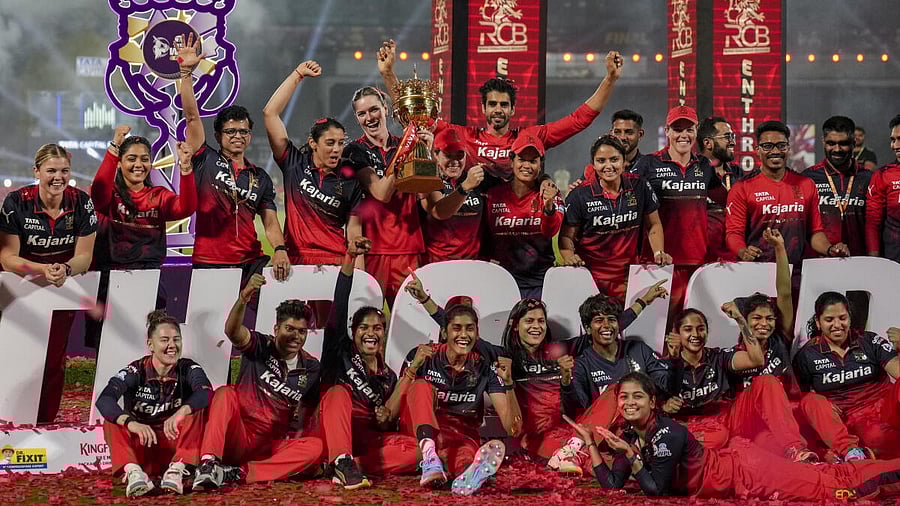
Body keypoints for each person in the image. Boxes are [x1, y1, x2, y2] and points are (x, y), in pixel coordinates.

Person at [572, 372, 900, 501]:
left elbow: (655, 489)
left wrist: (630, 457)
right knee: (827, 477)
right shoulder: (628, 435)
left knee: (834, 485)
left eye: (637, 397)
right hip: (740, 470)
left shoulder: (668, 432)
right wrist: (591, 445)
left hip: (748, 470)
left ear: (652, 402)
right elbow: (613, 483)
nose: (629, 403)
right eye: (624, 398)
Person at [378, 39, 623, 180]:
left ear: (513, 109)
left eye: (504, 105)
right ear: (483, 108)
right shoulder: (463, 136)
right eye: (493, 104)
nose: (498, 110)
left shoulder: (529, 138)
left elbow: (579, 120)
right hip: (473, 223)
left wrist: (610, 80)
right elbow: (415, 120)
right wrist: (388, 74)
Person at [177, 33, 290, 283]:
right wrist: (186, 74)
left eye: (243, 131)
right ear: (218, 135)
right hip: (210, 261)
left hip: (251, 263)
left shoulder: (259, 177)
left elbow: (270, 221)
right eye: (230, 131)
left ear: (250, 135)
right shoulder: (204, 160)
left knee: (251, 324)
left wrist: (280, 249)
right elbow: (192, 117)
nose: (237, 136)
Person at [192, 276, 322, 488]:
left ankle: (236, 474)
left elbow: (308, 406)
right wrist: (244, 297)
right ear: (276, 328)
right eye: (289, 329)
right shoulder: (261, 345)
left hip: (269, 446)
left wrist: (297, 435)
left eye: (302, 331)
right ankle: (208, 464)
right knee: (225, 392)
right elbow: (232, 331)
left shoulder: (311, 367)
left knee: (315, 447)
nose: (296, 336)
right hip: (238, 434)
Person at [0, 143, 97, 423]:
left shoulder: (82, 202)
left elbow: (85, 257)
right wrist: (42, 269)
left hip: (60, 285)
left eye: (64, 171)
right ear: (37, 171)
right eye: (51, 171)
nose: (59, 177)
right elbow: (7, 257)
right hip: (19, 288)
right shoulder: (16, 202)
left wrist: (65, 269)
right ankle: (9, 416)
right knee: (15, 353)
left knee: (54, 358)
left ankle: (45, 421)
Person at [316, 236, 419, 489]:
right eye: (363, 327)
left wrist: (384, 416)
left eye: (377, 327)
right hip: (333, 430)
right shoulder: (339, 353)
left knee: (418, 452)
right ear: (353, 332)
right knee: (338, 393)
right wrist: (350, 259)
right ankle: (340, 459)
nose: (370, 332)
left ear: (384, 333)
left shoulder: (389, 375)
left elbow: (385, 423)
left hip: (365, 442)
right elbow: (339, 307)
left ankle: (347, 465)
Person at [663, 299, 817, 463]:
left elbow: (757, 360)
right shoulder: (663, 366)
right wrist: (665, 406)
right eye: (688, 329)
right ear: (676, 333)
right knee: (719, 438)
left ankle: (795, 449)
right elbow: (650, 406)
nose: (695, 334)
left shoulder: (719, 357)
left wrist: (740, 319)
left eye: (701, 329)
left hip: (729, 422)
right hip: (698, 429)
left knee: (767, 382)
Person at [85, 127, 197, 347]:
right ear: (119, 162)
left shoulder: (158, 196)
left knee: (147, 341)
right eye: (131, 158)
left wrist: (185, 169)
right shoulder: (110, 195)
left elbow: (186, 207)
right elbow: (97, 193)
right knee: (106, 343)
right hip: (109, 276)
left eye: (145, 159)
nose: (139, 164)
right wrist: (114, 146)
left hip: (149, 277)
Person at [547, 283, 671, 475]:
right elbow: (577, 411)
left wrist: (677, 361)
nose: (606, 325)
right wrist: (566, 381)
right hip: (606, 433)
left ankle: (593, 457)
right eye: (598, 321)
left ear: (618, 324)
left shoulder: (638, 349)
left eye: (611, 320)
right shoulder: (581, 364)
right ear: (588, 328)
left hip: (643, 427)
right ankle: (577, 450)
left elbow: (664, 383)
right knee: (620, 389)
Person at [402, 304, 522, 495]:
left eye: (470, 328)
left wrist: (508, 384)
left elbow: (513, 429)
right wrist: (413, 369)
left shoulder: (485, 367)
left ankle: (467, 474)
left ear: (477, 333)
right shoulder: (425, 356)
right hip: (422, 432)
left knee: (464, 456)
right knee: (420, 386)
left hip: (460, 436)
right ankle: (430, 456)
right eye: (457, 328)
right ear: (444, 332)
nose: (464, 335)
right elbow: (399, 403)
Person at [96, 310, 212, 496]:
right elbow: (104, 400)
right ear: (150, 344)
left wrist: (182, 411)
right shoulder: (136, 370)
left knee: (195, 409)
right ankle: (134, 473)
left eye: (176, 339)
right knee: (112, 419)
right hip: (143, 445)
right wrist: (131, 423)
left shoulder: (188, 367)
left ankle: (176, 472)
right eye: (165, 340)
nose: (172, 345)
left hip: (176, 447)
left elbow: (206, 393)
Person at [262, 60, 363, 266]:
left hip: (335, 260)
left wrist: (357, 276)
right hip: (296, 261)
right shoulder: (293, 164)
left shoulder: (351, 179)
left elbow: (354, 231)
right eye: (330, 143)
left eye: (340, 143)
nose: (336, 149)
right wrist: (298, 74)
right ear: (313, 143)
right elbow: (270, 113)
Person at [631, 105, 719, 317]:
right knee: (660, 328)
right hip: (658, 262)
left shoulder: (705, 165)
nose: (683, 135)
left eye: (689, 129)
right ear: (667, 131)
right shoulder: (648, 164)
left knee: (693, 326)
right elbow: (625, 195)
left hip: (698, 263)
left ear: (696, 131)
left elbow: (728, 198)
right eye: (677, 129)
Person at [340, 85, 423, 306]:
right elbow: (380, 193)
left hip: (408, 247)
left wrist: (426, 151)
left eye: (374, 110)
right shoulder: (354, 151)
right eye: (362, 113)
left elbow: (424, 190)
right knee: (368, 323)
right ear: (357, 118)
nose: (369, 118)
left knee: (412, 321)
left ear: (385, 109)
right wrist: (406, 151)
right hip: (372, 250)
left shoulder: (407, 145)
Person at [793, 291, 900, 459]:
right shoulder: (807, 355)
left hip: (887, 405)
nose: (837, 325)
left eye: (842, 318)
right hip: (856, 416)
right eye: (829, 320)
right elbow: (800, 395)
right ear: (818, 322)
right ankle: (852, 452)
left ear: (850, 318)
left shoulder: (869, 340)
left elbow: (897, 371)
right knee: (810, 401)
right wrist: (825, 405)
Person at [560, 135, 670, 298]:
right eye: (601, 161)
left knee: (631, 323)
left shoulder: (640, 185)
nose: (608, 166)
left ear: (624, 161)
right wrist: (569, 256)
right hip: (591, 280)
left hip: (631, 278)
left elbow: (653, 225)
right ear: (594, 164)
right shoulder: (579, 195)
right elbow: (566, 237)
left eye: (614, 159)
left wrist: (658, 252)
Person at [726, 120, 849, 265]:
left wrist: (830, 249)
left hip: (798, 272)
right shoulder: (742, 187)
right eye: (767, 146)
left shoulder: (806, 184)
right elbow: (733, 234)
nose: (776, 151)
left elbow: (815, 232)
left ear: (789, 148)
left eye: (781, 146)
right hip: (758, 270)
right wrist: (743, 251)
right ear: (757, 150)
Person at [482, 133, 563, 299]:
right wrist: (485, 261)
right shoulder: (494, 194)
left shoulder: (550, 193)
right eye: (522, 159)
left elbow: (551, 231)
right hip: (502, 281)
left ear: (540, 165)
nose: (527, 165)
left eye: (533, 161)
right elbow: (483, 235)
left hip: (541, 283)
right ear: (512, 161)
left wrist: (548, 206)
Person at [804, 116, 872, 256]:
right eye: (831, 143)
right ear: (823, 142)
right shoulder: (808, 178)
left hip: (860, 261)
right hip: (819, 262)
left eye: (843, 143)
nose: (837, 149)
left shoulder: (869, 178)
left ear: (854, 143)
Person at [420, 129, 487, 263]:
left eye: (459, 155)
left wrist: (542, 180)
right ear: (436, 154)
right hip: (437, 264)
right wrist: (465, 188)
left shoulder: (477, 178)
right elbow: (439, 212)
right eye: (448, 155)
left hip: (471, 264)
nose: (454, 161)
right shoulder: (429, 179)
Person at [697, 116, 742, 263]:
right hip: (698, 259)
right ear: (708, 143)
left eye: (733, 136)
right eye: (727, 137)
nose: (733, 142)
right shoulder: (690, 175)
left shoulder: (738, 174)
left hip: (732, 259)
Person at [865, 113, 900, 262]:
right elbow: (873, 222)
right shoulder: (883, 175)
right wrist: (874, 262)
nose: (895, 146)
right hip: (894, 261)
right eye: (893, 140)